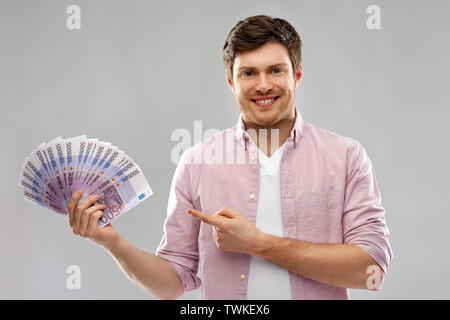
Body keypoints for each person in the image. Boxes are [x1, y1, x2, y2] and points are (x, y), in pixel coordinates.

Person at [67, 15, 393, 300]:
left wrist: (259, 243)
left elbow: (370, 270)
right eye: (248, 73)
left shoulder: (346, 157)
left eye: (275, 70)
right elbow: (172, 284)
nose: (263, 85)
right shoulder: (197, 163)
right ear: (231, 82)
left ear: (296, 75)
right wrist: (110, 241)